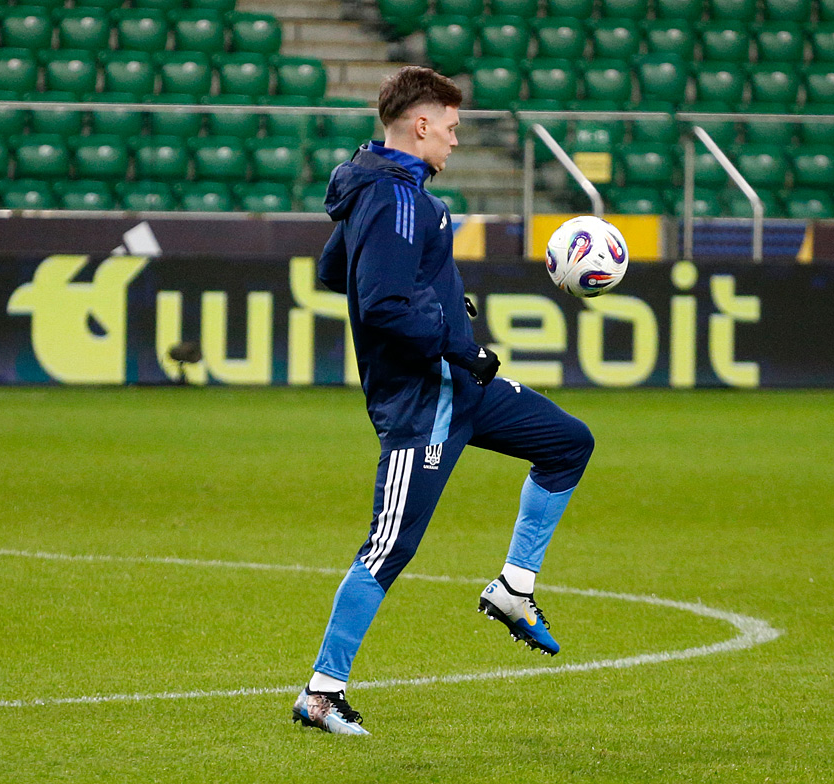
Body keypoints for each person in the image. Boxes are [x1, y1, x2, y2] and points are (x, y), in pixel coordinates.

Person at [291, 66, 595, 736]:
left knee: (568, 443)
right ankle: (321, 693)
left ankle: (514, 588)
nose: (456, 140)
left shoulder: (380, 187)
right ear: (421, 124)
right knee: (388, 546)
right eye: (451, 128)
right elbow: (382, 303)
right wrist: (460, 344)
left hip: (458, 388)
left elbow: (334, 270)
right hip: (424, 400)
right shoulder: (399, 198)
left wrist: (438, 302)